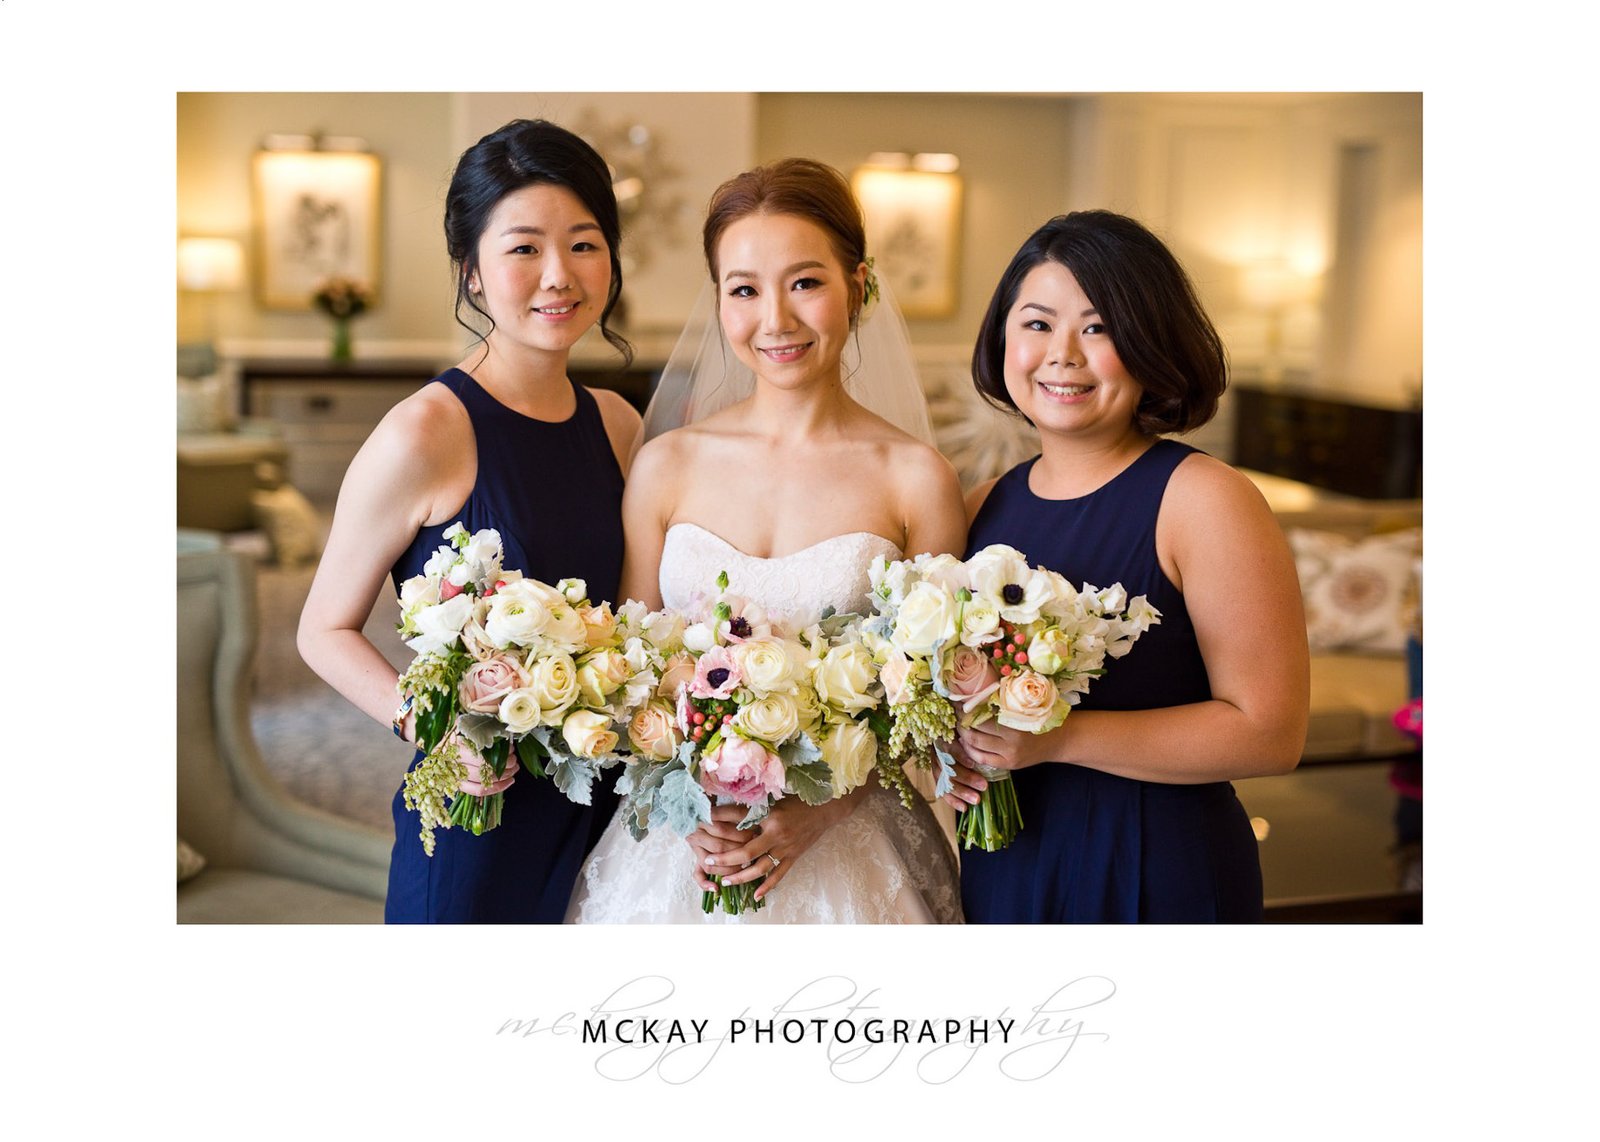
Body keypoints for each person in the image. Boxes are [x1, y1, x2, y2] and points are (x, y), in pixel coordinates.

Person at [566, 158, 966, 924]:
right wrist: (682, 791)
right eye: (744, 289)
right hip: (685, 847)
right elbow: (627, 671)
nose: (775, 319)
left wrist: (828, 804)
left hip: (848, 850)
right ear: (718, 300)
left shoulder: (915, 479)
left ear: (859, 284)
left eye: (805, 282)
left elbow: (929, 702)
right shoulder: (667, 465)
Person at [297, 119, 642, 923]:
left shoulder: (621, 425)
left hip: (604, 807)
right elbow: (321, 629)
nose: (559, 274)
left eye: (584, 244)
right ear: (474, 273)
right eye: (524, 248)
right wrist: (435, 728)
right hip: (479, 814)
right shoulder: (423, 433)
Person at [946, 210, 1309, 923]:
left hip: (1151, 864)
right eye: (1038, 323)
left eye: (1099, 327)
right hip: (1008, 862)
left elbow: (1271, 732)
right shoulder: (980, 505)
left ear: (1149, 343)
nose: (1063, 355)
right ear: (1003, 338)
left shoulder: (1204, 499)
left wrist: (1059, 737)